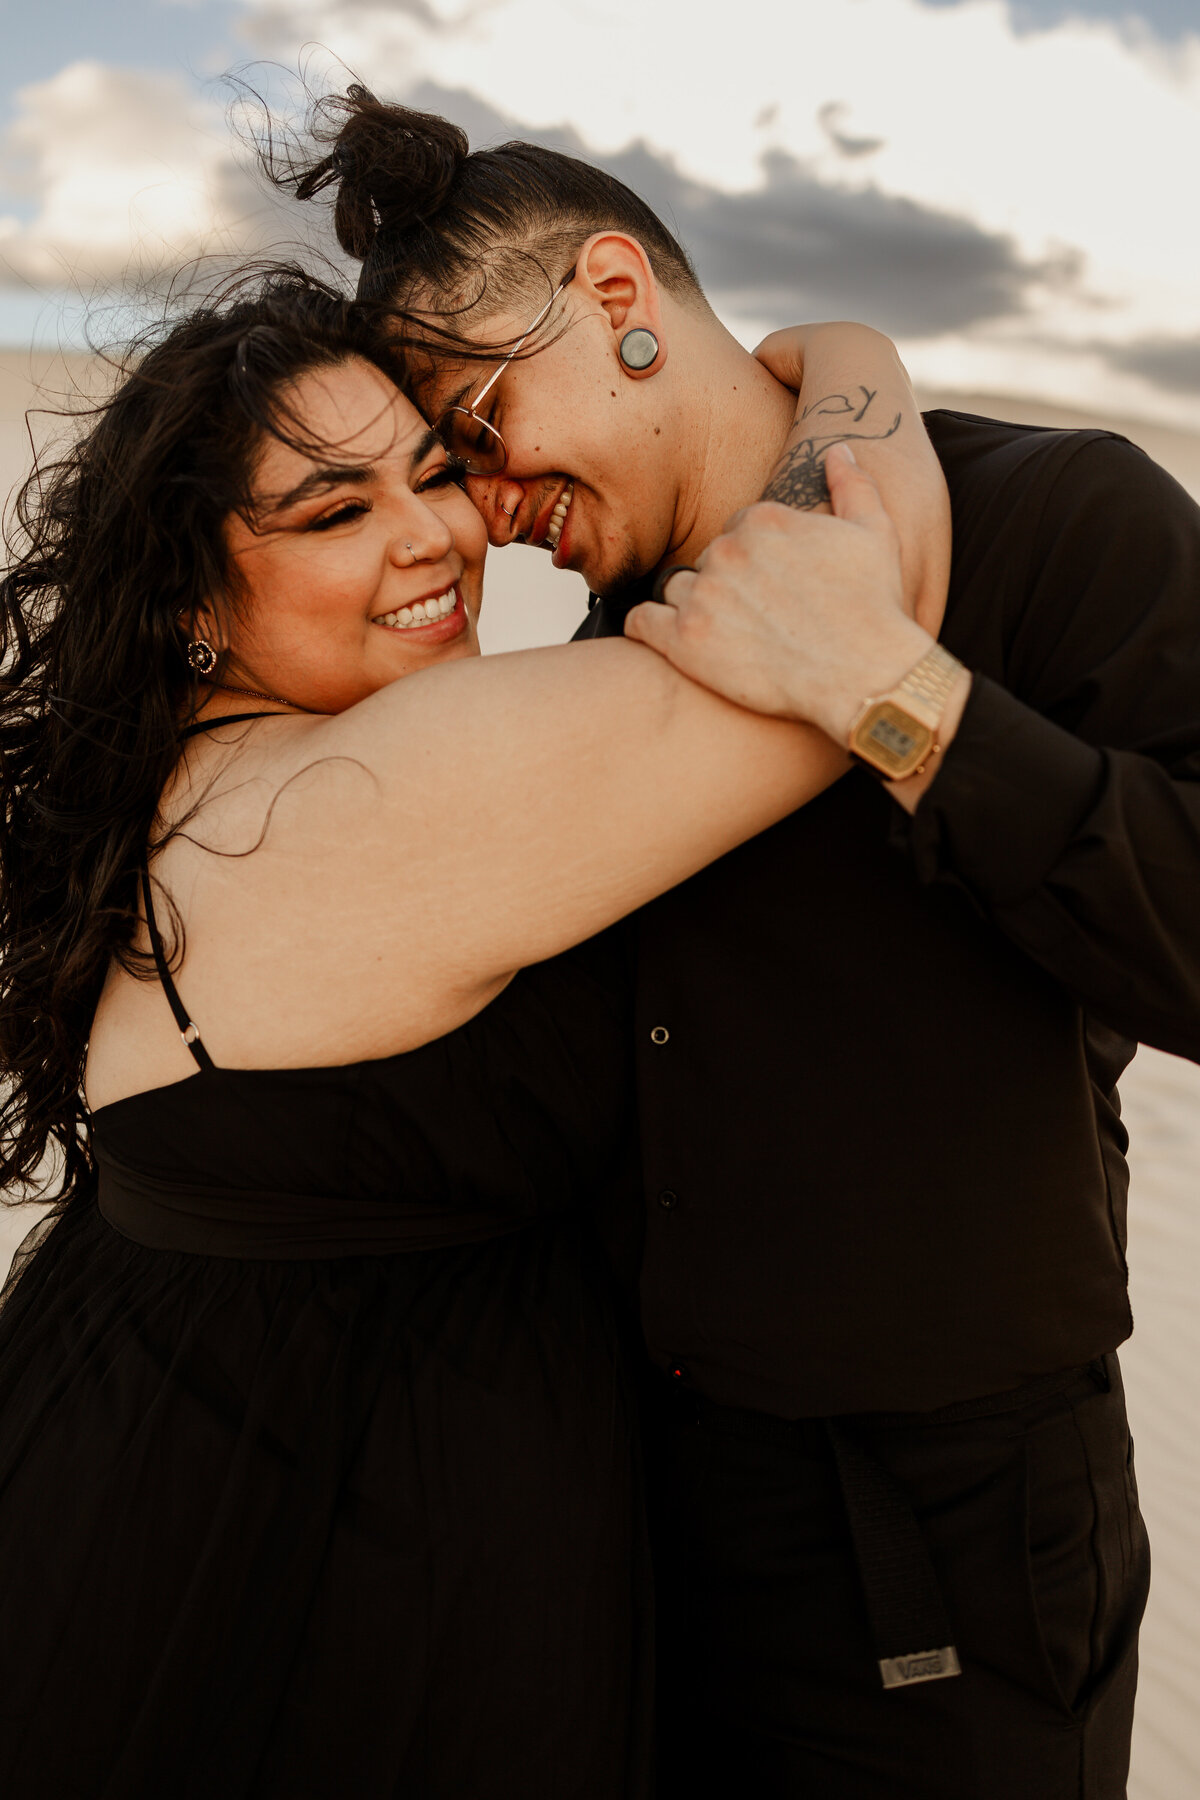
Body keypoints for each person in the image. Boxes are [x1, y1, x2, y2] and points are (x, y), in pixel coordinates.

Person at [290, 89, 1200, 1799]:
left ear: (620, 299)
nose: (485, 507)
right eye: (443, 469)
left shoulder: (1057, 520)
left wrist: (905, 705)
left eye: (479, 426)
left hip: (946, 1533)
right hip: (644, 1512)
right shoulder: (613, 658)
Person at [0, 268, 936, 1797]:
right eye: (331, 512)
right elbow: (856, 616)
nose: (434, 533)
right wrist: (849, 348)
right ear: (189, 598)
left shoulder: (193, 785)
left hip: (180, 1483)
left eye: (431, 470)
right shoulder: (364, 793)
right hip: (331, 1577)